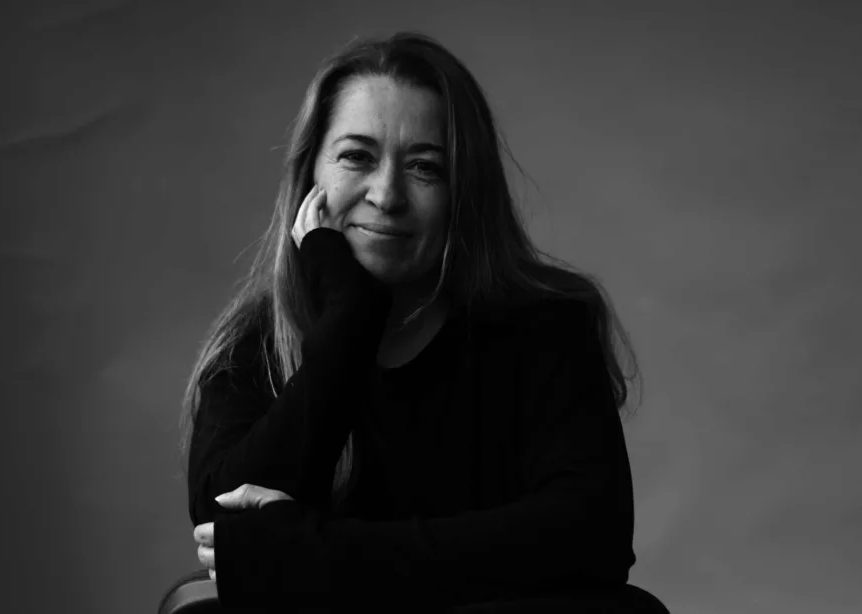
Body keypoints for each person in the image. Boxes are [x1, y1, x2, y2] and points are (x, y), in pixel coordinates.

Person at [179, 31, 643, 611]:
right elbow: (230, 537)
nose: (387, 194)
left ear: (462, 193)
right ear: (308, 179)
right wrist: (350, 320)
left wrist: (321, 555)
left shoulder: (546, 328)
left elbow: (591, 537)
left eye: (425, 168)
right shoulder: (249, 348)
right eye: (357, 157)